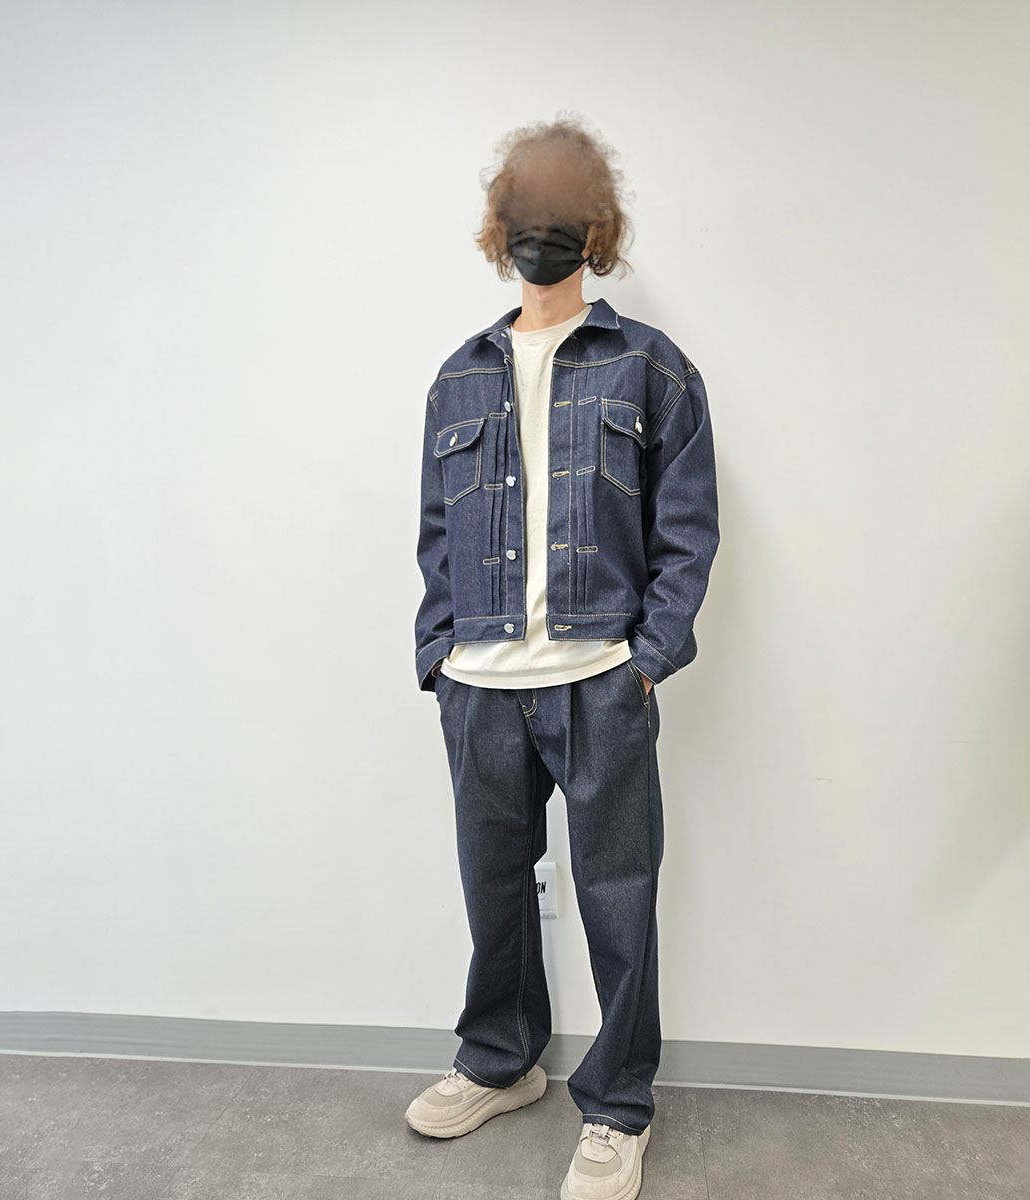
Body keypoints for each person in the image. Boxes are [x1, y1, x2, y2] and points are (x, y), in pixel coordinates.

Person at [405, 115, 720, 1200]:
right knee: (494, 893)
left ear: (596, 230)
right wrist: (438, 656)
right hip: (481, 686)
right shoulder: (456, 378)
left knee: (618, 899)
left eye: (562, 215)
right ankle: (501, 1061)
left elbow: (688, 530)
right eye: (526, 216)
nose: (542, 233)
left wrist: (648, 659)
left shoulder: (650, 367)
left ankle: (619, 1107)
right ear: (502, 232)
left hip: (599, 682)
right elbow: (435, 538)